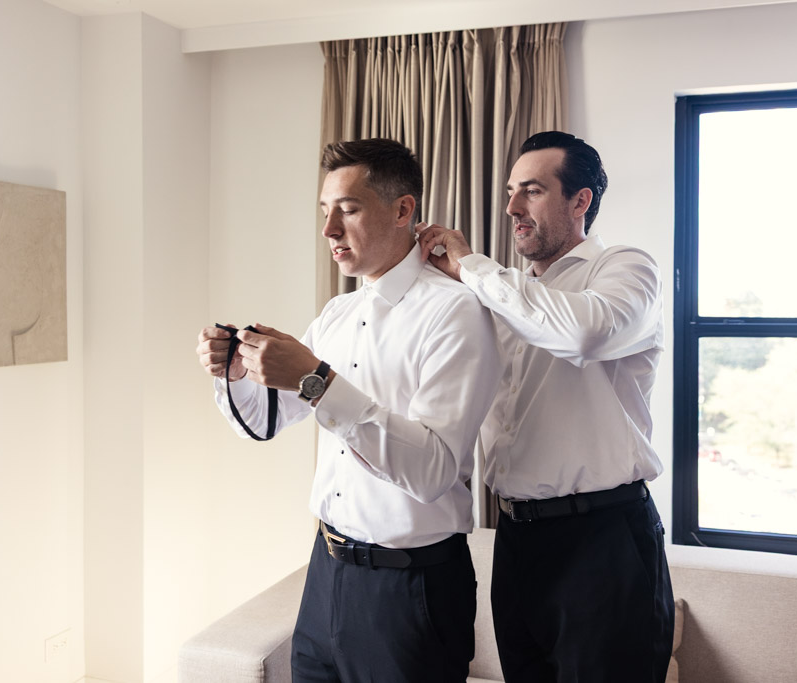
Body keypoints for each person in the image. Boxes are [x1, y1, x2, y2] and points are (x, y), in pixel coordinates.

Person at [196, 138, 501, 683]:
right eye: (324, 211)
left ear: (403, 209)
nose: (328, 230)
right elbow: (266, 421)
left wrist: (318, 381)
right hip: (325, 573)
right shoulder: (338, 313)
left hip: (411, 590)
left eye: (349, 210)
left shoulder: (455, 314)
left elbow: (432, 472)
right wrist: (235, 374)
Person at [417, 131, 674, 682]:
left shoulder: (626, 268)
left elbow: (585, 334)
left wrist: (472, 268)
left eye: (531, 191)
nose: (511, 207)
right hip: (516, 541)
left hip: (603, 541)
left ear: (580, 201)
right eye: (511, 191)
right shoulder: (498, 294)